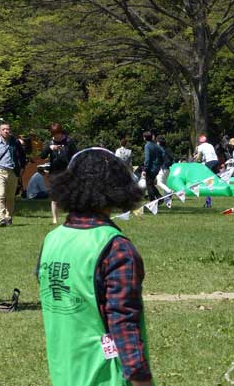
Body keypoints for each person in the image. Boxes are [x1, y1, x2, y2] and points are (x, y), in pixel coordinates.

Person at [37, 148, 153, 386]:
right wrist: (142, 380)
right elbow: (123, 323)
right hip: (106, 377)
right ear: (116, 187)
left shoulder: (52, 239)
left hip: (64, 374)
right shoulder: (116, 248)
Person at [0, 123, 27, 227]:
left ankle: (8, 217)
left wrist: (22, 167)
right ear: (0, 131)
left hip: (12, 172)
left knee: (10, 197)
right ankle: (1, 219)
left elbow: (22, 155)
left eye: (8, 129)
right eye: (4, 129)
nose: (6, 131)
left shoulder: (15, 142)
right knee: (0, 195)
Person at [40, 123, 78, 224]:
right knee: (54, 196)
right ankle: (55, 219)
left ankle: (72, 217)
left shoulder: (69, 141)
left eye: (58, 134)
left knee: (70, 194)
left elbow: (76, 156)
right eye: (54, 134)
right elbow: (42, 156)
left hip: (67, 171)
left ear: (61, 132)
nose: (56, 137)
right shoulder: (50, 142)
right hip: (54, 172)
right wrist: (50, 148)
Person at [142, 131, 163, 201]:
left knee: (149, 185)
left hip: (150, 168)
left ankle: (152, 201)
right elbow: (162, 155)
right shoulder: (156, 145)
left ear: (145, 138)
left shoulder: (147, 146)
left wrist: (145, 169)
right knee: (151, 184)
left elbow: (147, 158)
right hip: (157, 167)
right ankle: (159, 197)